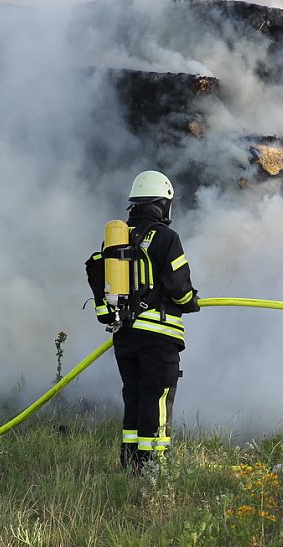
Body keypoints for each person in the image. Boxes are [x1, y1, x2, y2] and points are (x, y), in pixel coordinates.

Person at [86, 170, 200, 472]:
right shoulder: (166, 238)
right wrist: (192, 303)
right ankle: (155, 469)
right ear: (163, 204)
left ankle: (131, 464)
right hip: (159, 336)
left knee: (135, 398)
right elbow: (179, 289)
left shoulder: (117, 238)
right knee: (158, 398)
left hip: (125, 336)